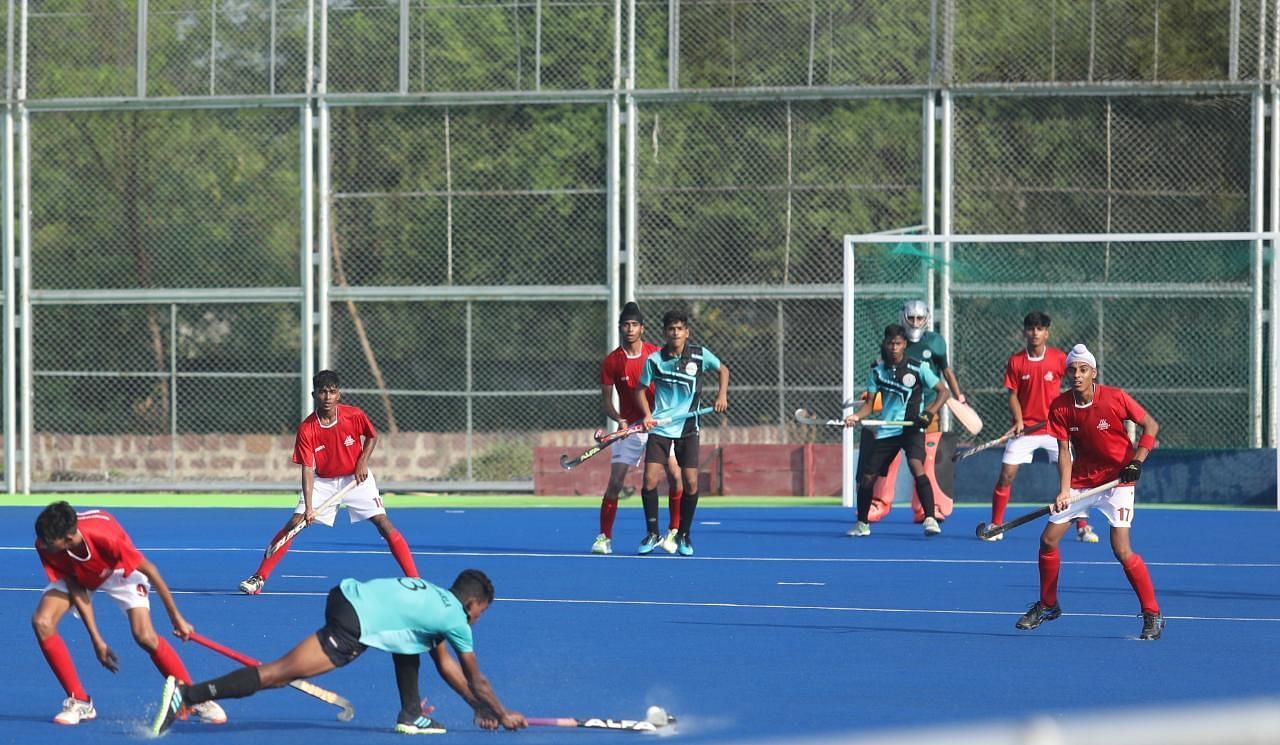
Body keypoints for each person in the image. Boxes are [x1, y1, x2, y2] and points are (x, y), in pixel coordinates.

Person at [151, 569, 526, 735]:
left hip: (344, 596)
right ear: (473, 603)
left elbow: (443, 665)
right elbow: (473, 676)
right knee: (277, 674)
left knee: (409, 643)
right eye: (481, 613)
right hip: (353, 624)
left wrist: (477, 707)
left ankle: (411, 714)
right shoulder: (456, 618)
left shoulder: (432, 597)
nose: (477, 620)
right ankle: (189, 695)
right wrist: (501, 712)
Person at [1015, 344, 1164, 640]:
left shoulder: (1115, 398)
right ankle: (1048, 604)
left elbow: (1151, 425)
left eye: (1083, 370)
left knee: (1121, 549)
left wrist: (1136, 462)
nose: (1077, 375)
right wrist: (1064, 490)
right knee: (1048, 540)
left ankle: (1152, 613)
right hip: (1083, 482)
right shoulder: (1060, 406)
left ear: (1093, 372)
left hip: (1118, 481)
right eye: (1072, 370)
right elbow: (1064, 452)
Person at [31, 501, 227, 726]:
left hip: (118, 568)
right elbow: (76, 584)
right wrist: (97, 640)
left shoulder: (105, 538)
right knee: (42, 622)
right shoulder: (46, 544)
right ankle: (80, 701)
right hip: (83, 574)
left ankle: (194, 697)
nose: (42, 545)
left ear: (67, 538)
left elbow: (151, 571)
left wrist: (176, 618)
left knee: (145, 636)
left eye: (48, 541)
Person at [238, 369, 419, 594]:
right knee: (294, 523)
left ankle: (416, 580)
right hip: (322, 481)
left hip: (355, 478)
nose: (328, 397)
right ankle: (259, 578)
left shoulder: (354, 415)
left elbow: (371, 436)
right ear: (314, 395)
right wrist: (310, 507)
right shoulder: (307, 429)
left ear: (339, 395)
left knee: (383, 523)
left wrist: (362, 462)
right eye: (323, 392)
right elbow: (307, 468)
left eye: (332, 392)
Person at [985, 311, 1096, 542]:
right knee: (1006, 475)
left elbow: (1077, 384)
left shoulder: (1058, 359)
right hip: (1025, 429)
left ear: (1047, 332)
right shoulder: (1016, 361)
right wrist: (1018, 421)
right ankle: (996, 525)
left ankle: (1082, 526)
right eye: (1031, 328)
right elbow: (1013, 395)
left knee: (1071, 477)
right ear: (1025, 332)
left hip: (1055, 428)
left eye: (1040, 329)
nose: (1035, 333)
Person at [635, 309, 730, 556]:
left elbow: (723, 370)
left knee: (690, 482)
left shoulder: (699, 355)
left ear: (686, 332)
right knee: (649, 480)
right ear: (665, 333)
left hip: (689, 427)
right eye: (671, 329)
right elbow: (640, 389)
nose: (675, 333)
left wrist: (721, 395)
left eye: (679, 329)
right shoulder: (655, 360)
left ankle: (685, 535)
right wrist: (647, 415)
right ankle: (652, 532)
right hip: (661, 427)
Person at [593, 302, 684, 555]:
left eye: (634, 324)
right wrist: (620, 420)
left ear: (642, 328)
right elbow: (606, 403)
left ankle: (673, 532)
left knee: (675, 476)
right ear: (620, 327)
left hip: (660, 426)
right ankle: (604, 538)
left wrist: (661, 416)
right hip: (631, 428)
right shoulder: (612, 361)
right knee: (615, 482)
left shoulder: (657, 355)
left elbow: (673, 390)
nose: (630, 329)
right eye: (626, 324)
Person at [844, 324, 950, 538]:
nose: (894, 347)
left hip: (912, 428)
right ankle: (862, 523)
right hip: (887, 430)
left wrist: (929, 413)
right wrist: (856, 416)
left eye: (899, 343)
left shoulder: (918, 367)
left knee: (916, 465)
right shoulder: (877, 371)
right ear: (885, 344)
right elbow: (873, 405)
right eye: (891, 343)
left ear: (905, 345)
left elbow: (943, 392)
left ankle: (930, 518)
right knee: (867, 478)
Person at [869, 299, 966, 523]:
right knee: (887, 459)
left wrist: (959, 396)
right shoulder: (894, 343)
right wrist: (874, 405)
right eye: (911, 318)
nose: (914, 322)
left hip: (926, 411)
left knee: (924, 460)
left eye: (919, 318)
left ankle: (924, 507)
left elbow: (946, 371)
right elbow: (882, 376)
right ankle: (879, 503)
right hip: (895, 412)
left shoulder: (935, 343)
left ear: (926, 319)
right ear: (902, 317)